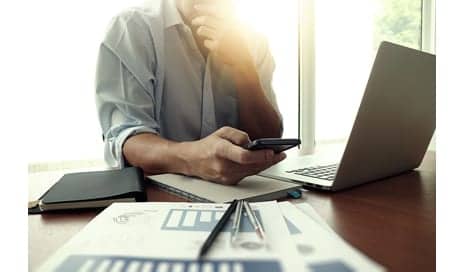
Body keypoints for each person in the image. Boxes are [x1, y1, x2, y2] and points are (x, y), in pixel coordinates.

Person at [95, 0, 285, 185]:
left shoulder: (253, 40)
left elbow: (269, 141)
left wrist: (244, 68)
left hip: (243, 193)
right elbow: (127, 140)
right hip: (156, 197)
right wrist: (194, 158)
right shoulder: (132, 28)